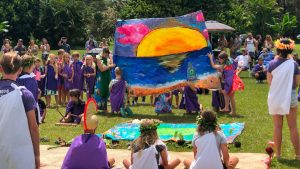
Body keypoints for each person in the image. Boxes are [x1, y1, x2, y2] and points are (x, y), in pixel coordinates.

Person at [0, 52, 40, 169]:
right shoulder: (24, 94)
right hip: (20, 153)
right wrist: (37, 155)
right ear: (20, 69)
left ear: (1, 68)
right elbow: (33, 127)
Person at [267, 38, 300, 159]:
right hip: (290, 96)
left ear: (278, 48)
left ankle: (278, 155)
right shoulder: (294, 64)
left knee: (277, 126)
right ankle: (298, 155)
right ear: (291, 48)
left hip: (276, 96)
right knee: (293, 126)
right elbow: (296, 83)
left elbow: (270, 82)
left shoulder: (271, 64)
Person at [208, 52, 244, 116]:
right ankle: (226, 108)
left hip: (231, 82)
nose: (219, 61)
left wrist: (211, 57)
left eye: (220, 59)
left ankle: (234, 112)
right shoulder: (230, 62)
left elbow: (213, 66)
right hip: (232, 80)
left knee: (231, 97)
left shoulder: (224, 66)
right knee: (226, 94)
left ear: (224, 59)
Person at [17, 54, 40, 123]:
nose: (34, 66)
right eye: (33, 64)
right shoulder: (28, 79)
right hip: (30, 109)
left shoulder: (19, 78)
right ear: (29, 66)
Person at [95, 48, 115, 112]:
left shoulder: (108, 59)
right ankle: (99, 107)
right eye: (105, 54)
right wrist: (109, 66)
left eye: (107, 54)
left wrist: (111, 57)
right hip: (101, 77)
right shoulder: (98, 58)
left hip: (107, 76)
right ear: (103, 53)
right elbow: (102, 69)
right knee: (101, 91)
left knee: (107, 90)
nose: (106, 55)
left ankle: (105, 108)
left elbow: (112, 64)